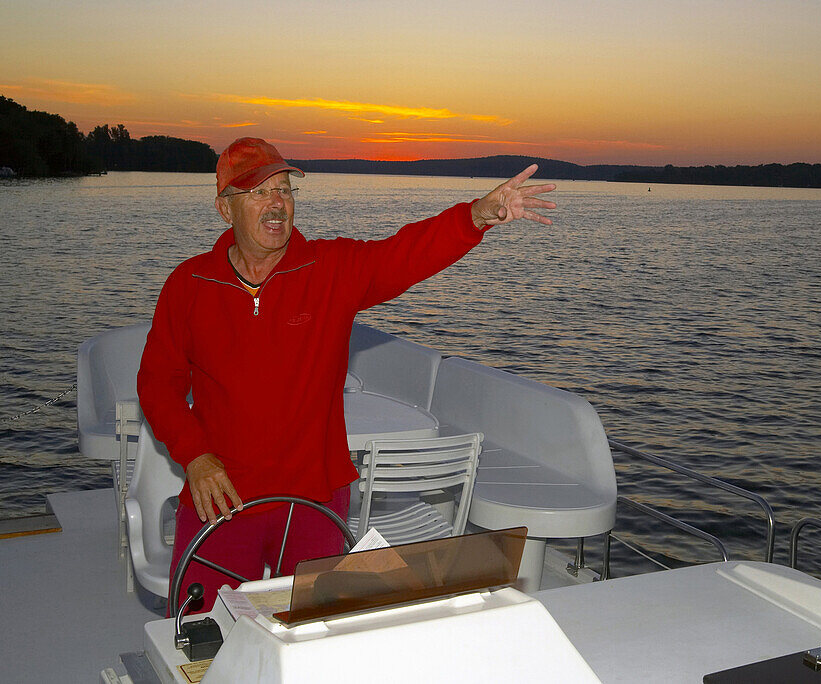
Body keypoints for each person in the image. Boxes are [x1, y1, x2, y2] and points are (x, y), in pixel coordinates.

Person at [136, 137, 555, 613]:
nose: (276, 203)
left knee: (317, 632)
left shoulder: (329, 267)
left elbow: (403, 254)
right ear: (224, 210)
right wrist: (194, 457)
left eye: (285, 189)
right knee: (201, 633)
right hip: (221, 496)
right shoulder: (188, 285)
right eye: (257, 192)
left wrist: (476, 216)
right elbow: (157, 385)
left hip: (313, 496)